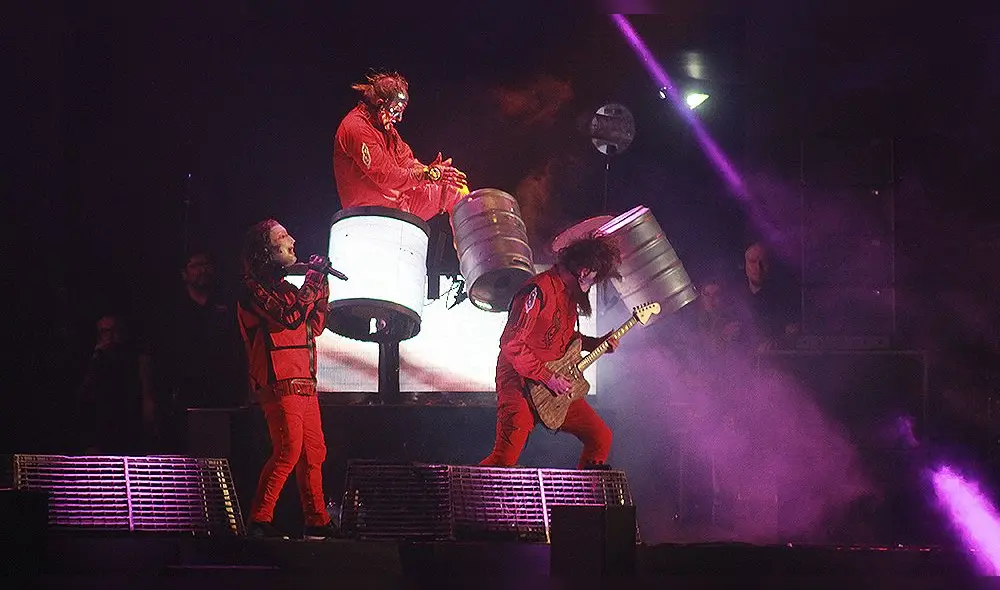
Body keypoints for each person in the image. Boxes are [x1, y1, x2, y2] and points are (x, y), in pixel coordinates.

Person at [480, 234, 622, 469]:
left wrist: (597, 344)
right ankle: (462, 498)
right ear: (584, 271)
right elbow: (511, 344)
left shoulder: (568, 295)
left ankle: (584, 502)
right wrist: (548, 377)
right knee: (504, 460)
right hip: (520, 384)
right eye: (593, 280)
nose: (591, 286)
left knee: (601, 438)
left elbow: (564, 340)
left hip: (553, 388)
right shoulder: (538, 290)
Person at [237, 219, 339, 540]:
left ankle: (317, 520)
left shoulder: (285, 289)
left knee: (314, 452)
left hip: (304, 381)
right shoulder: (252, 290)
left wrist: (321, 286)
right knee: (288, 451)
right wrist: (313, 278)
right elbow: (290, 316)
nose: (292, 240)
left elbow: (314, 325)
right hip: (278, 382)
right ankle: (259, 518)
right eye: (282, 237)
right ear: (266, 251)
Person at [333, 70, 469, 221]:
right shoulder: (356, 128)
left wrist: (432, 172)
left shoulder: (388, 131)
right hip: (371, 214)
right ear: (380, 104)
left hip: (399, 205)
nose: (399, 118)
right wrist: (427, 175)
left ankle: (477, 244)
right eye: (395, 112)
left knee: (457, 189)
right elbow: (386, 176)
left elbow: (407, 162)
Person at [156, 250, 247, 451]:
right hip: (185, 395)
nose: (202, 270)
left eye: (205, 265)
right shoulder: (174, 310)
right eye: (195, 266)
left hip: (222, 396)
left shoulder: (227, 306)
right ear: (184, 274)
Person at [77, 313, 156, 454]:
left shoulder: (135, 358)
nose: (111, 336)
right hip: (103, 426)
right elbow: (85, 394)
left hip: (130, 424)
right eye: (105, 331)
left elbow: (145, 392)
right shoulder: (96, 360)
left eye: (114, 330)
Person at [732, 241, 800, 352]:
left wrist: (779, 343)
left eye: (763, 262)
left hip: (775, 363)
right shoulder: (734, 296)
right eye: (752, 262)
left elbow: (794, 332)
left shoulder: (784, 298)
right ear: (744, 265)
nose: (758, 267)